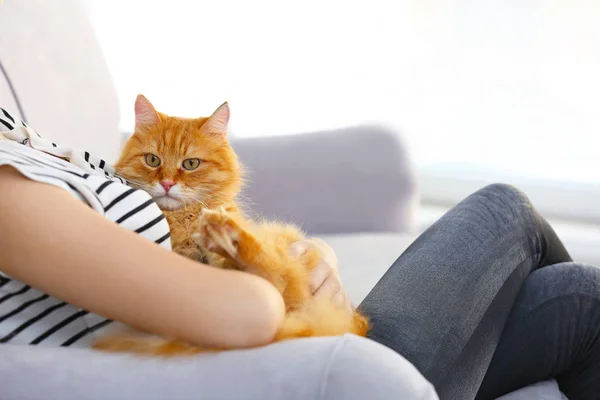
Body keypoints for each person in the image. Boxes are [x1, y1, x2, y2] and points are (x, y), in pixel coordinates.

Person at [0, 109, 598, 400]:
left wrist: (314, 258)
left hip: (304, 335)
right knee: (504, 211)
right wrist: (285, 268)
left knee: (577, 296)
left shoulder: (17, 136)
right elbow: (239, 314)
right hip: (303, 369)